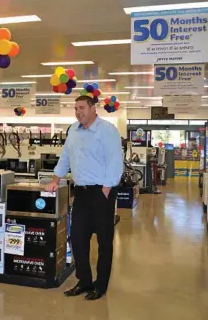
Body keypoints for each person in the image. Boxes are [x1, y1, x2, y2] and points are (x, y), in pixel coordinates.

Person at [45, 95, 123, 300]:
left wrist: (107, 188)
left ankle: (101, 285)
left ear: (93, 108)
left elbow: (115, 160)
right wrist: (55, 179)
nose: (78, 112)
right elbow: (64, 157)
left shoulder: (107, 130)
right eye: (75, 109)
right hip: (80, 192)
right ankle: (85, 280)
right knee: (77, 238)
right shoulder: (73, 130)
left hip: (101, 193)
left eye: (82, 108)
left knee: (104, 242)